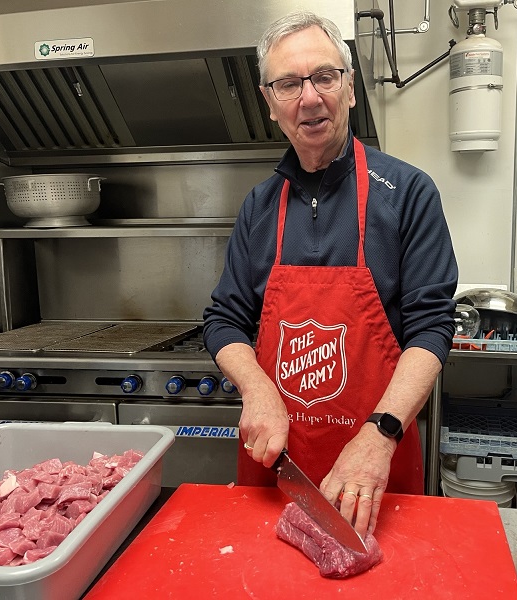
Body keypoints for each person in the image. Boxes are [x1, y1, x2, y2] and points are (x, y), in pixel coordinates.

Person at [202, 10, 457, 538]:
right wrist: (256, 388)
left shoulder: (408, 193)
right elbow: (224, 319)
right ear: (271, 103)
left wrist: (381, 433)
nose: (310, 97)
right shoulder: (259, 206)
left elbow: (431, 326)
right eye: (289, 84)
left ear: (350, 89)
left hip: (375, 468)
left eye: (324, 76)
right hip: (277, 467)